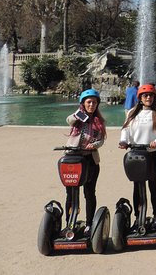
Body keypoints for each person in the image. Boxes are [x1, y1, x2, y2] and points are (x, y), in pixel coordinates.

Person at [120, 84, 156, 226]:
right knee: (137, 185)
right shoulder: (132, 113)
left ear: (154, 97)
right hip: (136, 153)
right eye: (145, 95)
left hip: (152, 153)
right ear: (140, 98)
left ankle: (155, 215)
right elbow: (125, 129)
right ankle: (138, 216)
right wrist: (123, 141)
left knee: (153, 185)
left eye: (151, 95)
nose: (148, 98)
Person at [65, 89, 106, 234]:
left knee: (89, 193)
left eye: (94, 102)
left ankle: (89, 224)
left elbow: (101, 140)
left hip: (90, 159)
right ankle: (69, 222)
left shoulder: (99, 121)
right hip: (73, 158)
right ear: (83, 103)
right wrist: (80, 114)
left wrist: (94, 145)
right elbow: (69, 120)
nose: (92, 105)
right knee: (71, 193)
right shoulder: (80, 115)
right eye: (89, 102)